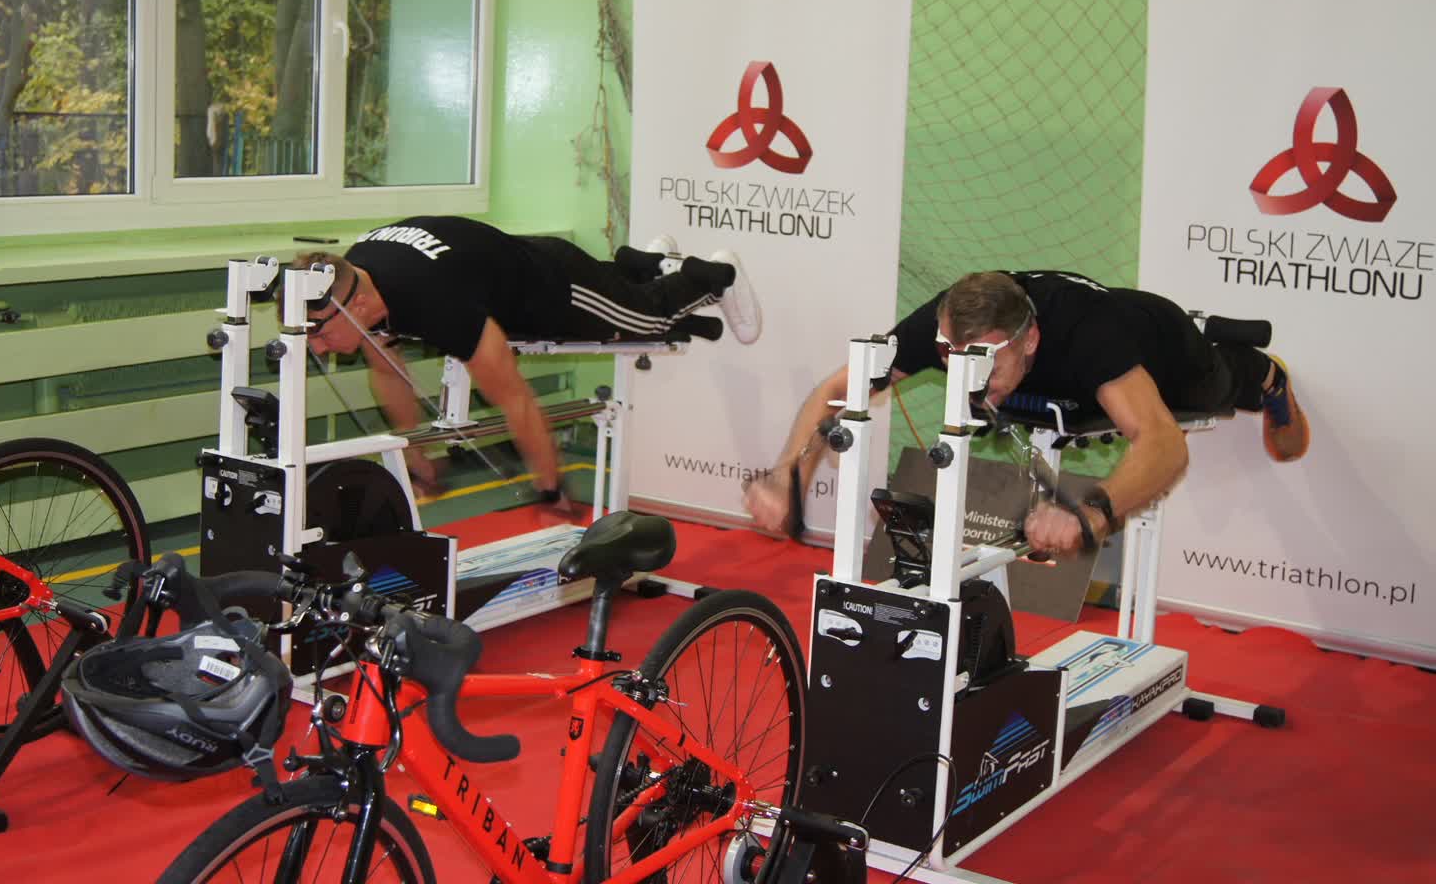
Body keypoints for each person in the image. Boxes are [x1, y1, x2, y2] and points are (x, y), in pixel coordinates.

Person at [744, 270, 1309, 555]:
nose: (968, 376)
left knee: (1218, 381)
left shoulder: (1092, 339)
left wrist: (1091, 514)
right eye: (954, 359)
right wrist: (787, 475)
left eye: (986, 362)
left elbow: (1165, 444)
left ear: (1029, 339)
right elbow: (838, 388)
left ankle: (1265, 373)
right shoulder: (945, 325)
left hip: (1167, 349)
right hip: (1064, 366)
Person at [298, 215, 759, 504]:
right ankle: (644, 266)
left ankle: (713, 277)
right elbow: (387, 370)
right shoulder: (357, 274)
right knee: (624, 295)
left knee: (645, 321)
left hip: (557, 287)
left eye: (318, 332)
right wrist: (415, 455)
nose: (315, 348)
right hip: (512, 265)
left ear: (356, 306)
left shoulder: (436, 301)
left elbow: (514, 397)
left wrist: (550, 486)